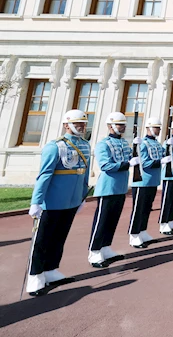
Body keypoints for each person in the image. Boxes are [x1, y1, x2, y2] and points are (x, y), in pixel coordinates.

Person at [27, 109, 91, 296]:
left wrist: (81, 197)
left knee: (60, 237)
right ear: (66, 124)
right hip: (52, 202)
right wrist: (36, 202)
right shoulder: (55, 146)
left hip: (70, 201)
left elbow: (84, 175)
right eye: (77, 123)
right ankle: (35, 275)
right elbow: (44, 175)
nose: (81, 126)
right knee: (42, 240)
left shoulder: (85, 145)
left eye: (83, 123)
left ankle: (51, 269)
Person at [88, 112, 132, 268]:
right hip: (107, 187)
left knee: (113, 220)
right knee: (102, 221)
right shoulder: (103, 144)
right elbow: (105, 166)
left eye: (123, 124)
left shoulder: (125, 143)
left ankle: (105, 248)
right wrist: (127, 164)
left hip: (120, 187)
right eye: (119, 124)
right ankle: (94, 251)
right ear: (110, 126)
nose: (122, 127)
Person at [128, 117, 163, 248]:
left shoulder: (157, 143)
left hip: (153, 181)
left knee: (147, 208)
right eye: (156, 127)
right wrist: (159, 162)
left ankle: (142, 231)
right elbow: (143, 162)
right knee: (138, 209)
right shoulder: (143, 143)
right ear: (148, 128)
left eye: (159, 128)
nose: (158, 130)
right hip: (142, 181)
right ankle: (134, 234)